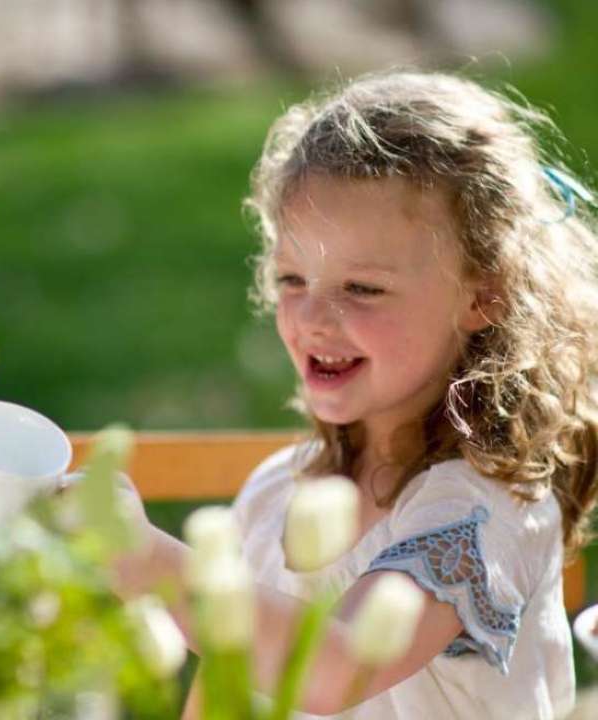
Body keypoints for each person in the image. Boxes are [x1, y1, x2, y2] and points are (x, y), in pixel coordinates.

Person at [113, 71, 597, 718]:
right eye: (291, 279)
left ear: (484, 296)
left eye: (362, 289)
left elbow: (339, 666)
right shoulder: (276, 494)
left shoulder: (481, 513)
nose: (313, 319)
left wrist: (147, 557)